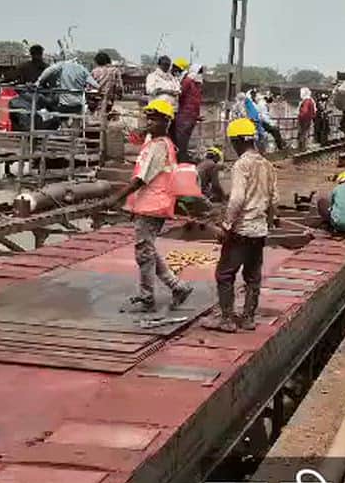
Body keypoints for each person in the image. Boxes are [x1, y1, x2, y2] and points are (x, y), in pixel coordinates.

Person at [109, 99, 194, 313]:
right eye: (149, 117)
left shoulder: (158, 146)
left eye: (155, 118)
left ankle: (148, 297)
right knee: (148, 249)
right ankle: (177, 287)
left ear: (166, 122)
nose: (150, 122)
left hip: (153, 204)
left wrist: (117, 197)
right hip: (151, 204)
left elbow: (141, 179)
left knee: (144, 252)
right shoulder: (157, 143)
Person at [203, 118, 278, 333]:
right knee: (253, 275)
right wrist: (269, 222)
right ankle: (248, 318)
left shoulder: (241, 165)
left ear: (235, 141)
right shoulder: (267, 165)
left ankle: (226, 319)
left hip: (242, 230)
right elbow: (274, 200)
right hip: (259, 230)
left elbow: (236, 199)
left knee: (225, 274)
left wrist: (226, 225)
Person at [35, 56, 97, 121]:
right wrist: (100, 89)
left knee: (63, 120)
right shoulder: (82, 68)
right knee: (76, 121)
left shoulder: (63, 65)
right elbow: (93, 82)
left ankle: (64, 130)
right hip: (77, 102)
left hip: (64, 102)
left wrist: (38, 82)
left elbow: (48, 71)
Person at [172, 63, 204, 162]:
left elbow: (195, 102)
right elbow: (180, 95)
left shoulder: (197, 84)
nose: (201, 74)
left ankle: (182, 158)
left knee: (185, 141)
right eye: (199, 72)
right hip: (184, 116)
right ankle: (180, 160)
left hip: (192, 117)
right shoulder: (188, 81)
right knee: (181, 140)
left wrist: (196, 116)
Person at [90, 51, 124, 121]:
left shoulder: (94, 71)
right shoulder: (115, 71)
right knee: (108, 118)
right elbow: (119, 86)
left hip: (96, 99)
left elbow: (89, 86)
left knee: (96, 117)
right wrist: (120, 96)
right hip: (109, 99)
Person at [297, 87, 316, 152]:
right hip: (308, 119)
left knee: (302, 133)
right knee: (306, 133)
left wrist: (300, 115)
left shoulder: (306, 101)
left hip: (303, 119)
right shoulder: (311, 100)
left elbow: (305, 111)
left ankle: (302, 148)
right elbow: (314, 111)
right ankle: (304, 147)